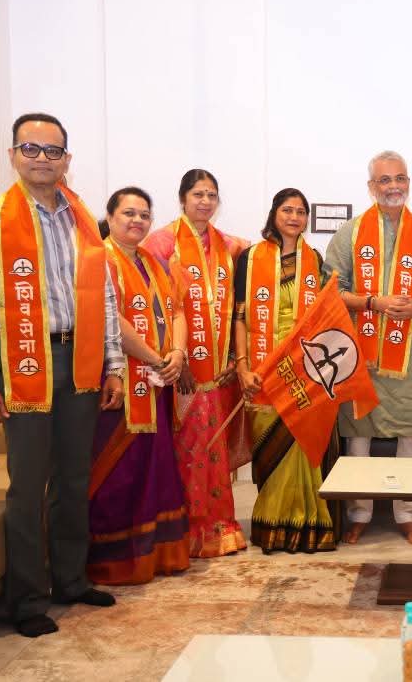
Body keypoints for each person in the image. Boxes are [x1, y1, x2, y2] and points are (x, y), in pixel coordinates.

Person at [0, 112, 123, 637]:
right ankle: (28, 599)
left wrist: (114, 364)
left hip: (81, 358)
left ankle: (70, 580)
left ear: (66, 160)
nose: (42, 159)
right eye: (30, 149)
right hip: (24, 358)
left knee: (74, 478)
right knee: (28, 485)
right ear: (12, 155)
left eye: (52, 151)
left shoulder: (83, 219)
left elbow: (105, 296)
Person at [324, 151, 412, 545]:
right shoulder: (350, 233)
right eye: (384, 180)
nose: (394, 186)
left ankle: (406, 515)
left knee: (411, 436)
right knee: (358, 435)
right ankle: (359, 513)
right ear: (371, 187)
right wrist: (373, 302)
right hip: (361, 351)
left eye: (400, 178)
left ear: (408, 182)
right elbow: (331, 291)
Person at [142, 169, 249, 557]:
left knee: (213, 452)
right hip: (181, 372)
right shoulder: (161, 243)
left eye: (211, 195)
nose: (205, 201)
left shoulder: (230, 246)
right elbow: (156, 306)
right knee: (185, 452)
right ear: (183, 198)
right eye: (198, 194)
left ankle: (218, 526)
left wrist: (235, 356)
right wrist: (178, 357)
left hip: (220, 373)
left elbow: (240, 305)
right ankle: (185, 531)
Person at [87, 187, 191, 585]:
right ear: (110, 216)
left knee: (155, 468)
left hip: (157, 381)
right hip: (119, 383)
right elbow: (111, 319)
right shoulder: (100, 259)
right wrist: (155, 358)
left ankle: (156, 555)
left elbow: (177, 310)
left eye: (144, 215)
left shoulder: (154, 261)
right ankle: (117, 561)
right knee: (120, 473)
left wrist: (177, 353)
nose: (137, 221)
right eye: (129, 213)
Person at [234, 188, 340, 553]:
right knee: (271, 451)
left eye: (300, 211)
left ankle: (307, 526)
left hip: (303, 369)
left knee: (304, 450)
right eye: (287, 210)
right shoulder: (250, 258)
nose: (294, 217)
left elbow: (325, 318)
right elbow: (239, 317)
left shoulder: (315, 260)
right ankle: (272, 527)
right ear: (274, 214)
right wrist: (242, 366)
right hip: (263, 368)